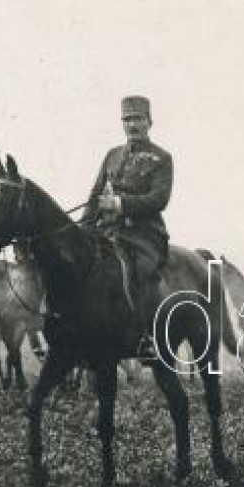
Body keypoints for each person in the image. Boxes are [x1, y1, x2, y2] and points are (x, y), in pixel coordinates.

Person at [79, 94, 174, 362]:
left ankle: (147, 337)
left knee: (139, 271)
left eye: (138, 119)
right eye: (127, 119)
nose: (133, 125)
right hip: (108, 231)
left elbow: (159, 199)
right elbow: (95, 194)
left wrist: (120, 204)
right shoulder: (112, 155)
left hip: (144, 234)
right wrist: (83, 228)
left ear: (149, 122)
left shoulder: (162, 158)